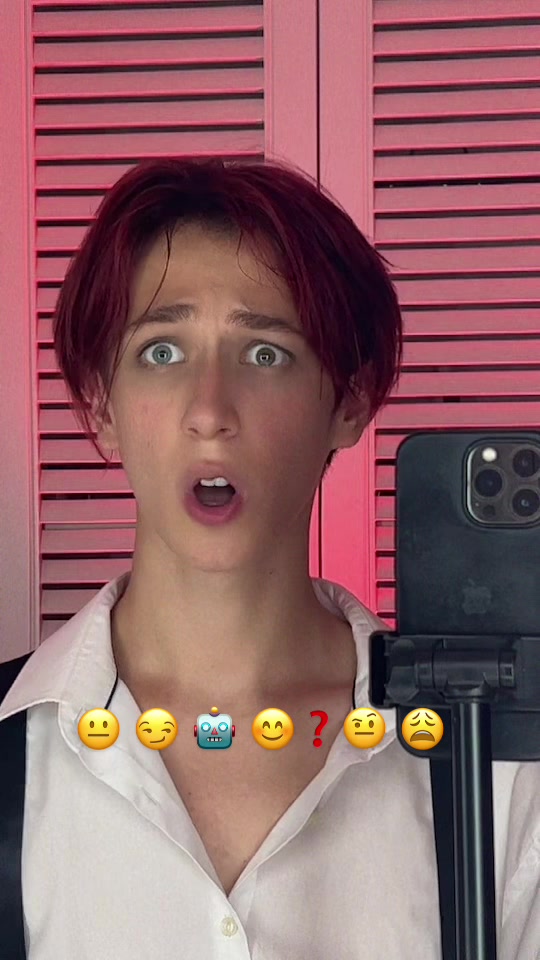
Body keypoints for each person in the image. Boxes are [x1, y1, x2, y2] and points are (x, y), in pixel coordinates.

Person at [0, 157, 538, 959]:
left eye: (265, 354)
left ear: (349, 400)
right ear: (102, 407)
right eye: (161, 352)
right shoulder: (18, 750)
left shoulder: (500, 765)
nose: (210, 410)